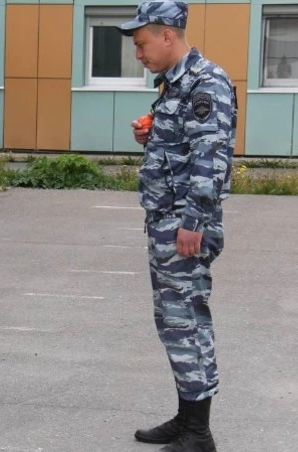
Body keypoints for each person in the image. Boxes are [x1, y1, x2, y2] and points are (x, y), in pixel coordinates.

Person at [117, 2, 237, 451]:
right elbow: (188, 145)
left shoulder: (205, 83)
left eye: (142, 44)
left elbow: (212, 160)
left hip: (184, 227)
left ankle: (197, 433)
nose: (139, 54)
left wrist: (193, 222)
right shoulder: (176, 85)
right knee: (176, 322)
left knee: (185, 322)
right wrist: (153, 134)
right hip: (169, 222)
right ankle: (188, 417)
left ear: (167, 36)